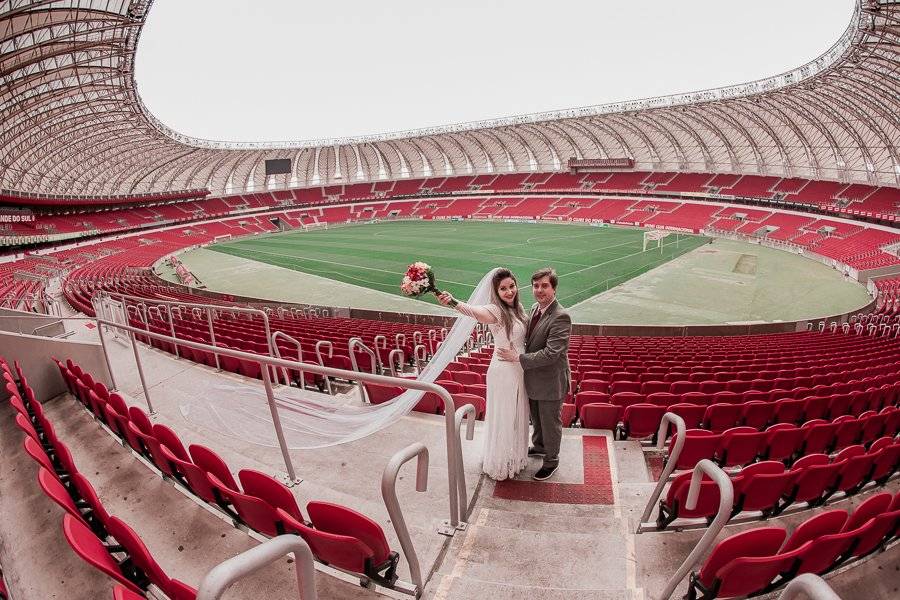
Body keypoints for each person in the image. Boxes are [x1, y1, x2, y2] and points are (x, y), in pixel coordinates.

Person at [438, 269, 529, 480]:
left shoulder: (518, 308)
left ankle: (514, 455)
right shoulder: (495, 310)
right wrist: (453, 302)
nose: (509, 291)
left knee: (516, 415)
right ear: (496, 292)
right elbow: (473, 311)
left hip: (518, 368)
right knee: (505, 415)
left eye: (511, 286)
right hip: (503, 370)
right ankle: (500, 460)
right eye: (503, 289)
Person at [497, 267, 571, 481]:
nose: (539, 290)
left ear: (554, 288)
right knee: (537, 419)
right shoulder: (535, 308)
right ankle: (539, 446)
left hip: (550, 381)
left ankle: (551, 461)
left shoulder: (561, 316)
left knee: (550, 422)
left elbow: (551, 354)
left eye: (545, 286)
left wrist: (517, 358)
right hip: (534, 378)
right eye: (536, 286)